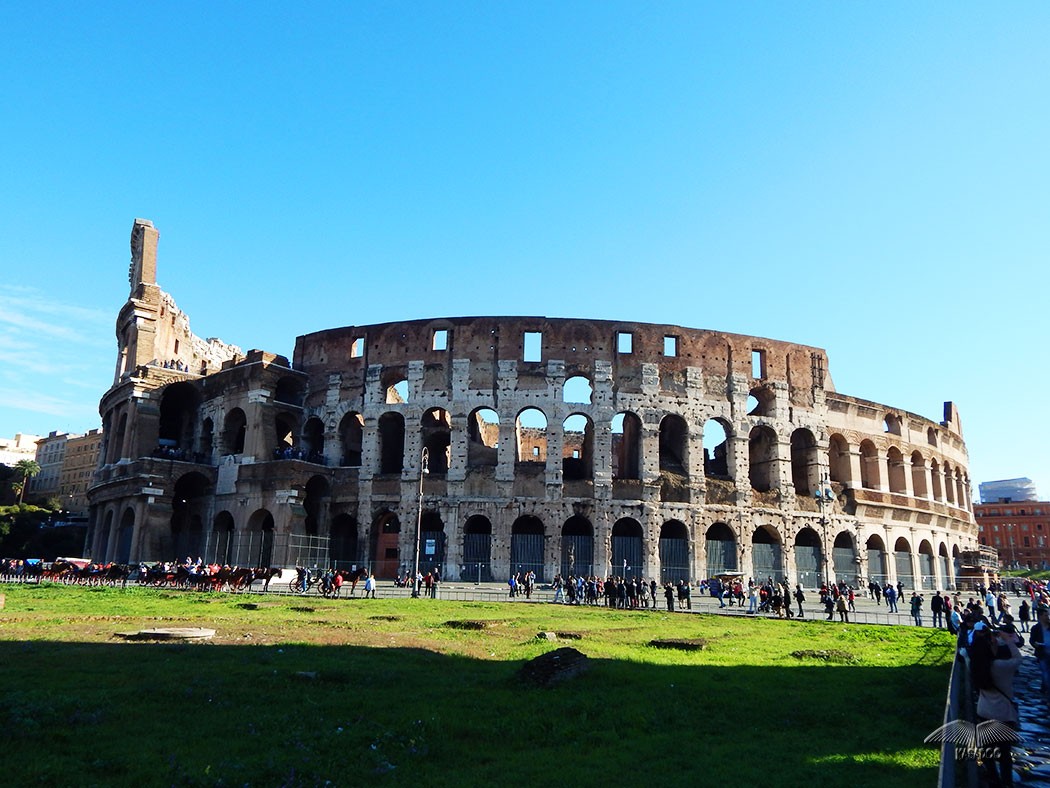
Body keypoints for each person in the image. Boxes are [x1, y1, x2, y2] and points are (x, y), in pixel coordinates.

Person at [969, 623, 1022, 785]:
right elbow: (1018, 659)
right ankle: (1006, 781)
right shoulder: (999, 666)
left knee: (988, 749)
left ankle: (992, 777)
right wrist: (1009, 641)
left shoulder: (976, 665)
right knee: (1005, 752)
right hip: (1002, 713)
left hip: (984, 711)